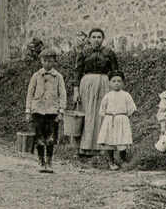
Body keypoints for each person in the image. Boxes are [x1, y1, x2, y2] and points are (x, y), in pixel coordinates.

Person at [71, 28, 120, 157]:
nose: (96, 40)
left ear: (103, 39)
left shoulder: (109, 53)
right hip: (87, 85)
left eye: (99, 37)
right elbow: (77, 72)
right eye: (94, 37)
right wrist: (76, 90)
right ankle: (84, 148)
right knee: (87, 114)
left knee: (102, 114)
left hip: (104, 84)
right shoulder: (83, 53)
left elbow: (115, 72)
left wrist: (116, 90)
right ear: (89, 39)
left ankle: (102, 148)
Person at [25, 48, 67, 173]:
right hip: (38, 110)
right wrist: (28, 111)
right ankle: (41, 161)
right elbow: (30, 93)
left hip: (52, 111)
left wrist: (61, 111)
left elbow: (62, 94)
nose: (48, 63)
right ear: (41, 61)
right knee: (39, 137)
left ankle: (49, 162)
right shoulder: (36, 76)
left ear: (54, 61)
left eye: (50, 61)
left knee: (50, 137)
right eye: (45, 60)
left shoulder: (58, 77)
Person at [97, 71, 136, 170]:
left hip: (122, 120)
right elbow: (102, 110)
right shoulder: (107, 96)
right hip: (110, 120)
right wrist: (106, 119)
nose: (116, 83)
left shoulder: (126, 95)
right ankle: (111, 161)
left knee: (122, 140)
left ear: (123, 83)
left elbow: (131, 109)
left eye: (119, 81)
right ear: (109, 83)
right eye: (114, 81)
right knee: (109, 141)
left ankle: (123, 160)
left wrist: (124, 118)